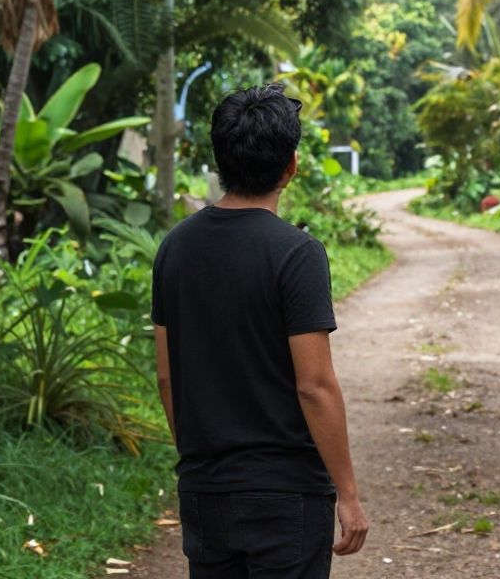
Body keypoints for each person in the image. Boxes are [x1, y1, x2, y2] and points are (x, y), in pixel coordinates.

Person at [151, 84, 369, 578]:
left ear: (220, 158)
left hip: (205, 491)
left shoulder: (175, 249)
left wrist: (203, 464)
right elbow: (314, 386)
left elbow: (167, 379)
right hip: (286, 494)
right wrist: (349, 496)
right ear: (290, 166)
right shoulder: (296, 254)